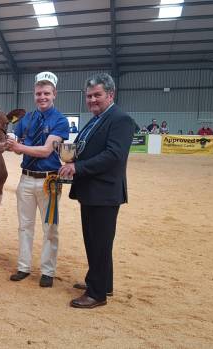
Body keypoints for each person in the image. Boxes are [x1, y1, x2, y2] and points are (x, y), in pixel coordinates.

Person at [59, 73, 135, 309]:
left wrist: (77, 167)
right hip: (92, 191)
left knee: (99, 242)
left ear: (110, 95)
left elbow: (113, 156)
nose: (92, 100)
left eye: (97, 95)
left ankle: (97, 294)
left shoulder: (121, 119)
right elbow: (87, 148)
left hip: (104, 192)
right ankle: (102, 282)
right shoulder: (96, 119)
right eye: (89, 96)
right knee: (95, 241)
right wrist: (67, 155)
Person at [6, 72, 69, 288]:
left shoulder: (60, 121)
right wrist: (9, 140)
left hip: (48, 181)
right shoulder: (28, 118)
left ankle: (48, 270)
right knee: (24, 226)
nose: (42, 97)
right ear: (34, 95)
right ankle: (24, 266)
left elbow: (45, 150)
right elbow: (15, 137)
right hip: (25, 179)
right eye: (38, 93)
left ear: (54, 95)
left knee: (50, 227)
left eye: (46, 93)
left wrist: (18, 147)